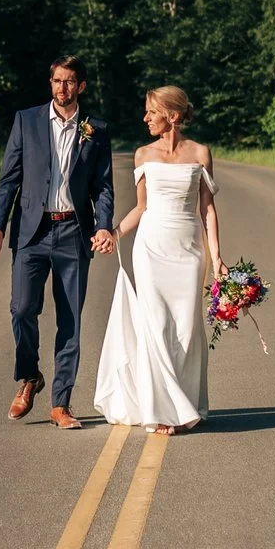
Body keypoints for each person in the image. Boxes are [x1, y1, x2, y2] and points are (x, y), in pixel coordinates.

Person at [0, 56, 116, 428]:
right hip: (31, 232)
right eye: (57, 81)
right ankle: (30, 376)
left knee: (71, 320)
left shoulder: (96, 129)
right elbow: (8, 179)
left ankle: (61, 403)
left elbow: (103, 186)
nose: (63, 88)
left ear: (82, 86)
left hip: (73, 233)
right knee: (22, 309)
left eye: (70, 82)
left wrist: (103, 225)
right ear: (51, 83)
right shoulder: (26, 121)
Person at [92, 85, 221, 435]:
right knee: (157, 326)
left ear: (173, 116)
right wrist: (113, 233)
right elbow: (141, 207)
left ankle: (184, 403)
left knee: (185, 327)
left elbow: (207, 208)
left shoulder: (200, 153)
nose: (145, 118)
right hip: (150, 248)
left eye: (152, 112)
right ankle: (161, 410)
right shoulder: (143, 155)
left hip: (189, 250)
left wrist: (218, 256)